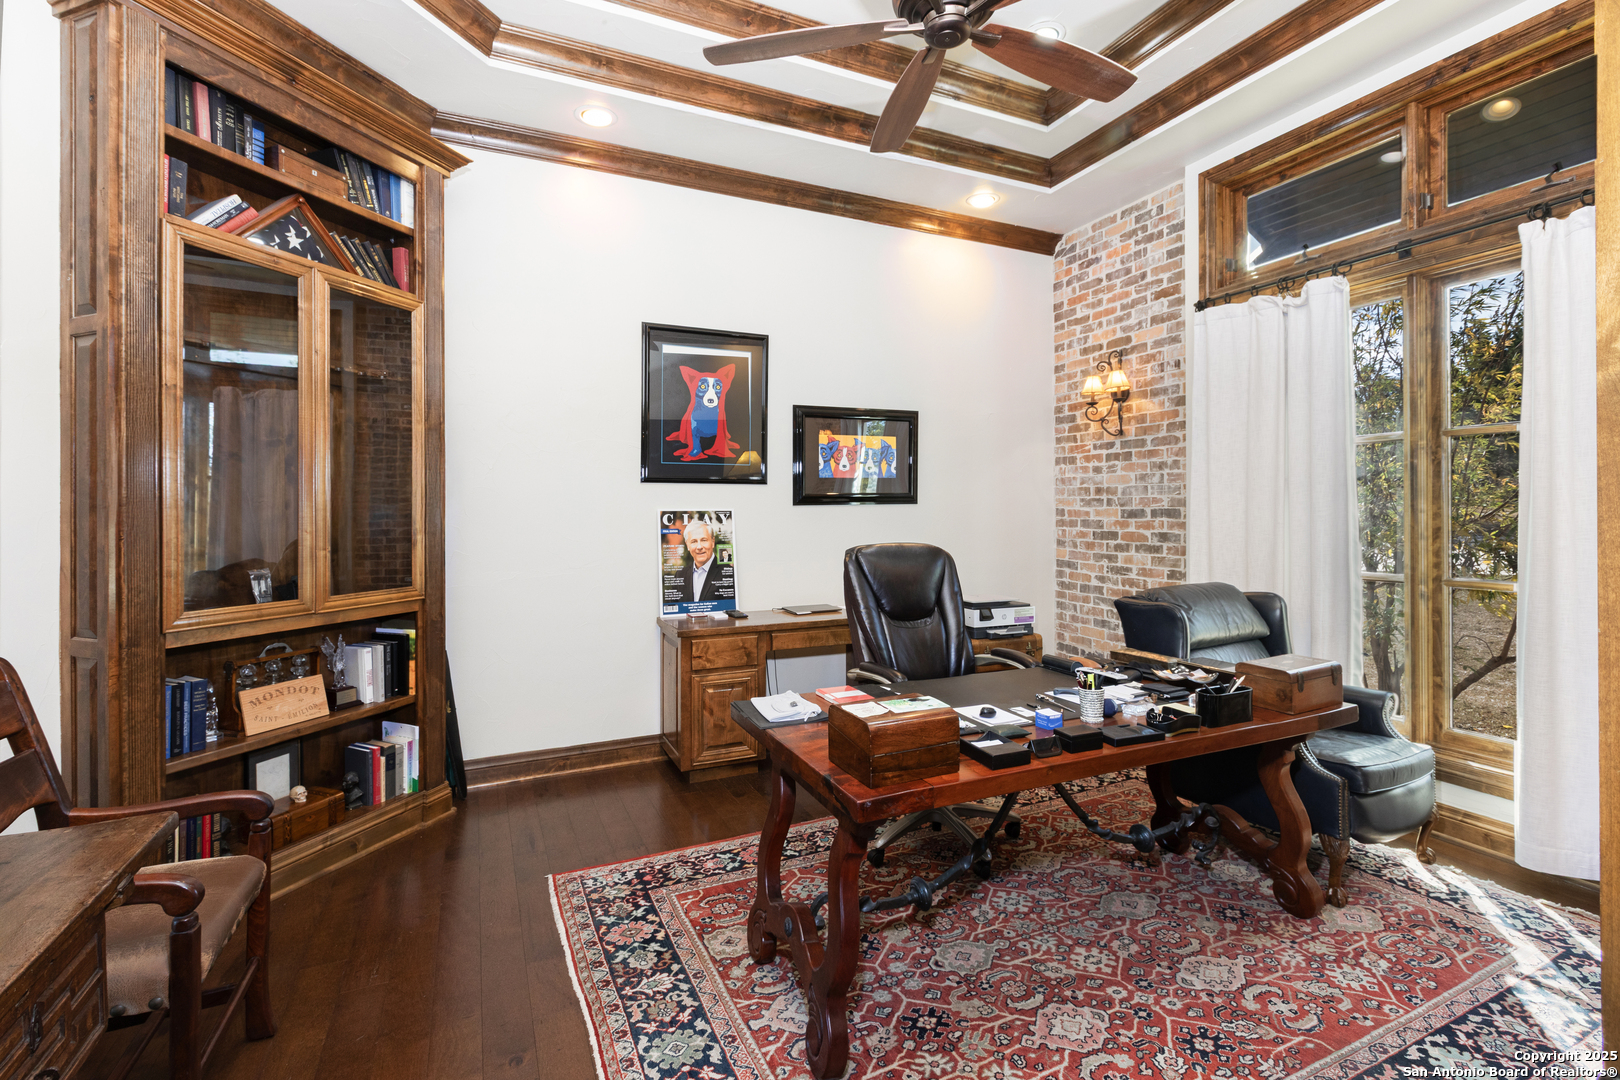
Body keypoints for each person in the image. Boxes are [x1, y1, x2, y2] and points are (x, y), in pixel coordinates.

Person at [676, 519, 731, 603]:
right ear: (687, 545)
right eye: (694, 541)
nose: (699, 547)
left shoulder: (728, 573)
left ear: (712, 542)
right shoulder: (680, 575)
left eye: (703, 540)